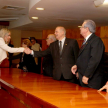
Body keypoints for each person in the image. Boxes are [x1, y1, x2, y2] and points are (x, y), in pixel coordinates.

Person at [71, 19, 106, 89]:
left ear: (87, 29)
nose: (80, 28)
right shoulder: (86, 41)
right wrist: (77, 66)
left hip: (92, 79)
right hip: (84, 78)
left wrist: (87, 75)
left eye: (81, 27)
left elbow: (94, 60)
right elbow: (84, 57)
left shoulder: (96, 41)